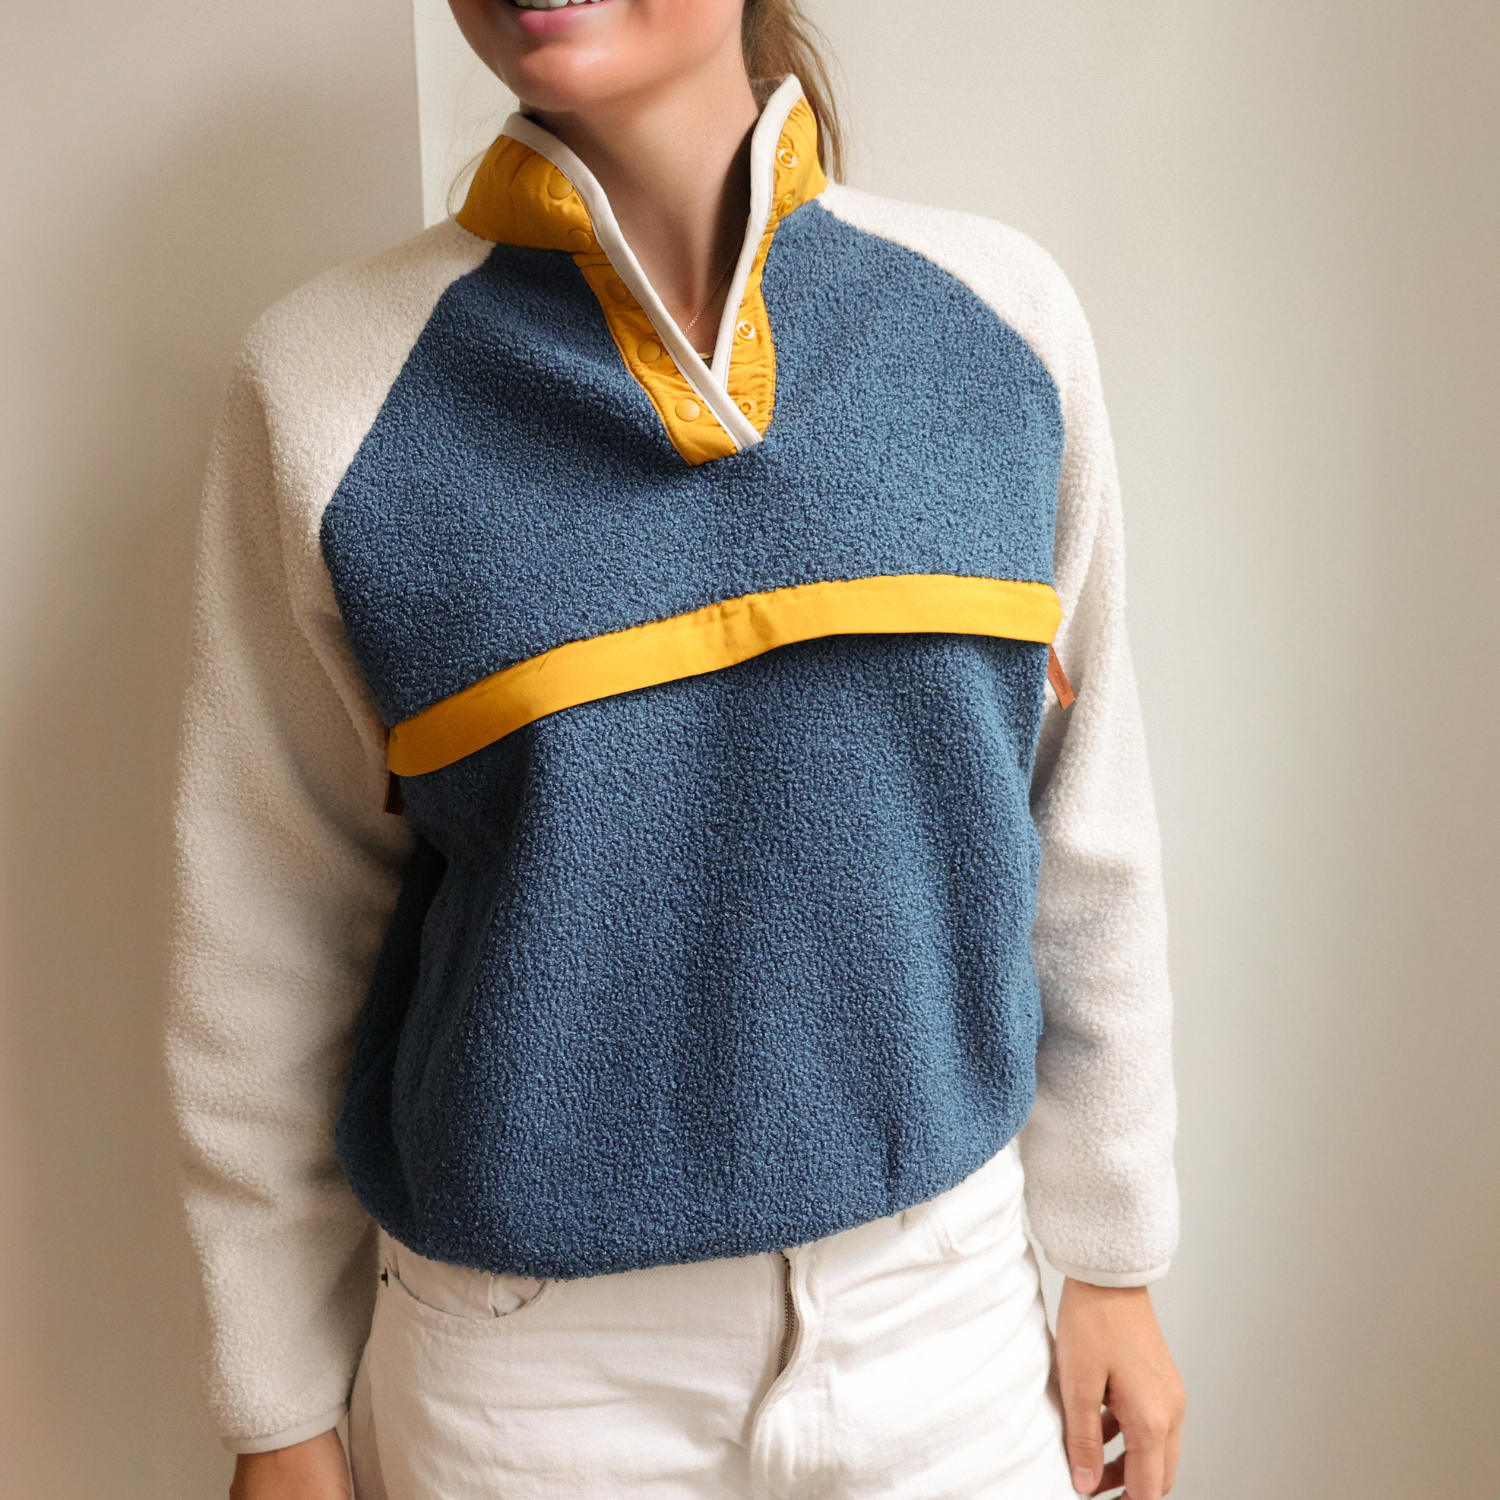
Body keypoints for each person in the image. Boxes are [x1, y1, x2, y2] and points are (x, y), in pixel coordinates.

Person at [166, 1, 1186, 1496]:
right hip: (528, 1382)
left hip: (947, 1327)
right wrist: (278, 1405)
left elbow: (1082, 826)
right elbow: (268, 925)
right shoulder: (327, 382)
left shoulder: (999, 320)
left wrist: (1111, 1256)